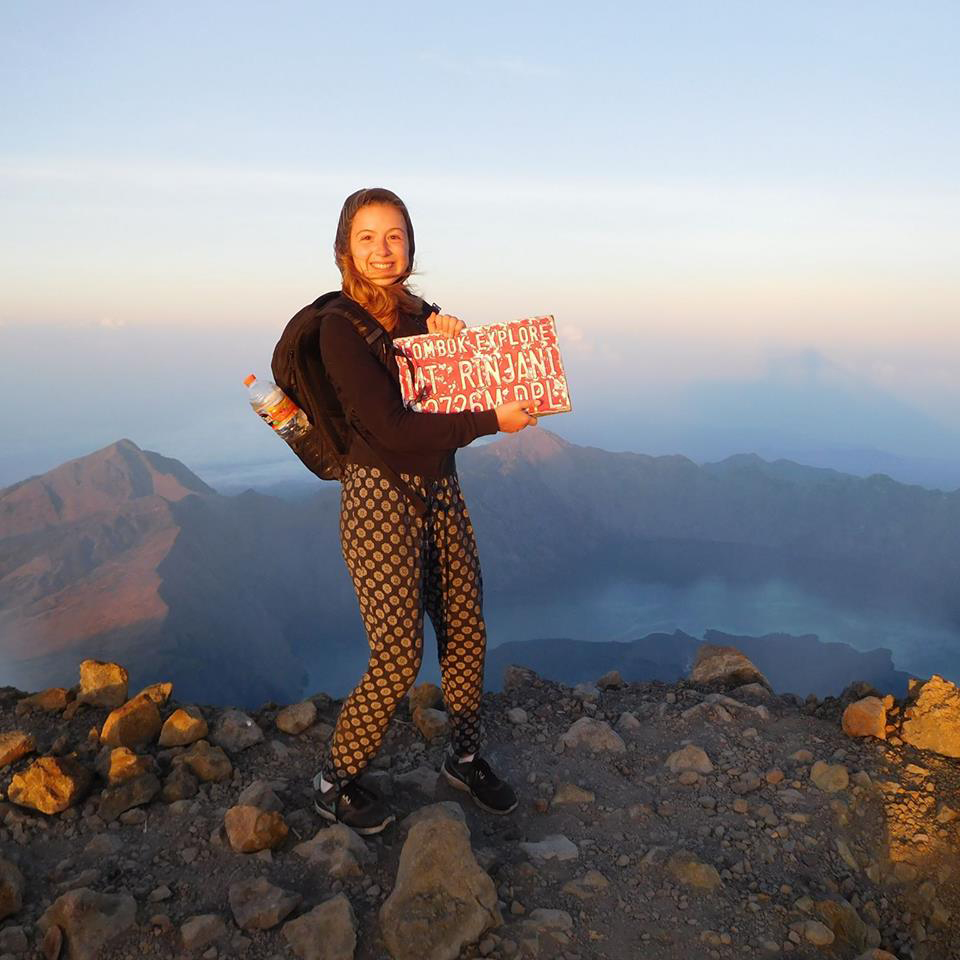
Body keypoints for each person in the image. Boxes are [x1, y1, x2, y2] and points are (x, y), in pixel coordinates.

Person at [311, 187, 538, 835]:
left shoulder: (420, 314)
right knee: (398, 654)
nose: (383, 250)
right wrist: (494, 419)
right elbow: (392, 430)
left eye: (394, 236)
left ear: (410, 244)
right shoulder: (340, 328)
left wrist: (454, 344)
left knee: (465, 627)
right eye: (367, 237)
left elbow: (441, 397)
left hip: (441, 490)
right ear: (343, 249)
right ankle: (332, 780)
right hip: (380, 499)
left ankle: (464, 756)